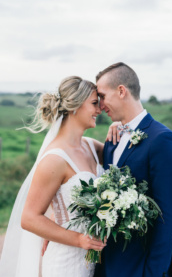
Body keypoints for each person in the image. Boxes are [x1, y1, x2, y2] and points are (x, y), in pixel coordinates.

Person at [0, 76, 114, 277]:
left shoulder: (90, 146)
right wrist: (79, 240)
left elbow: (122, 156)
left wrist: (119, 127)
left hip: (93, 260)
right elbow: (29, 218)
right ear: (75, 107)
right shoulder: (54, 159)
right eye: (94, 104)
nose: (99, 110)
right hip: (66, 263)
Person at [94, 62, 172, 277]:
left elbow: (169, 216)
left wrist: (154, 272)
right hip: (108, 263)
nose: (100, 105)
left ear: (122, 91)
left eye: (102, 96)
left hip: (140, 266)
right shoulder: (113, 138)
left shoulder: (162, 140)